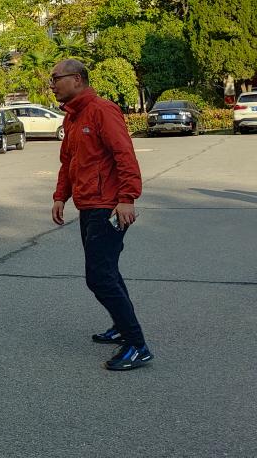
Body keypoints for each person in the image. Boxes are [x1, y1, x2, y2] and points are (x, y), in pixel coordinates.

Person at [49, 59, 153, 371]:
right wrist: (60, 196)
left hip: (108, 207)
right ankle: (121, 327)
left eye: (56, 78)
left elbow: (124, 154)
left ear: (77, 79)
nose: (52, 85)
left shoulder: (102, 110)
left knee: (99, 277)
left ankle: (137, 345)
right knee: (108, 272)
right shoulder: (72, 117)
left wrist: (127, 198)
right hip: (88, 205)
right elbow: (68, 162)